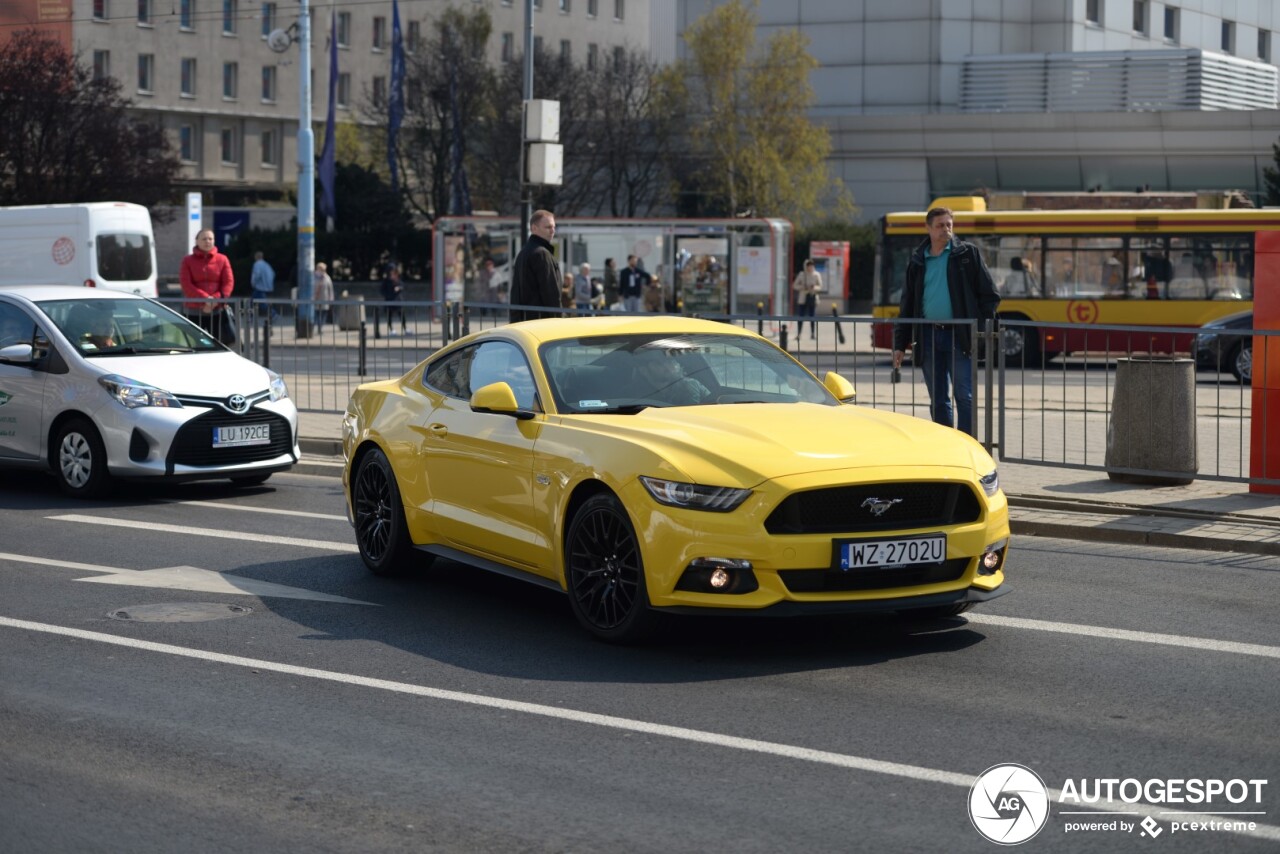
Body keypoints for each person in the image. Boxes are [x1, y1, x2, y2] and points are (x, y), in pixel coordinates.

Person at [891, 206, 1000, 437]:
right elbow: (907, 304)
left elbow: (990, 295)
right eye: (940, 225)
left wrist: (979, 330)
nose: (946, 229)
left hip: (960, 336)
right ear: (928, 228)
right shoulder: (918, 260)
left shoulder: (967, 255)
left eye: (949, 224)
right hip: (928, 336)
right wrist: (900, 344)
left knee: (964, 395)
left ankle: (967, 446)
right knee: (938, 398)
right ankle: (946, 446)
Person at [179, 227, 235, 342]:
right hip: (193, 311)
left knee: (219, 346)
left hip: (217, 311)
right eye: (204, 239)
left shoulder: (223, 259)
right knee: (194, 345)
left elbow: (228, 283)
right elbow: (186, 284)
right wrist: (206, 299)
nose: (207, 241)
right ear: (197, 241)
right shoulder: (187, 260)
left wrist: (214, 300)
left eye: (210, 238)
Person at [508, 209, 563, 322]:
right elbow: (550, 293)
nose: (552, 231)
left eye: (553, 227)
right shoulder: (541, 253)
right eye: (547, 227)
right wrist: (559, 320)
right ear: (534, 228)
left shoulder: (524, 252)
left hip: (523, 321)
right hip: (541, 322)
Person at [632, 348, 712, 406]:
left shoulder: (687, 385)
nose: (667, 367)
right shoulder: (634, 393)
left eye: (669, 362)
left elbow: (690, 414)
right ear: (643, 370)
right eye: (659, 364)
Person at [792, 259, 823, 339]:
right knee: (800, 316)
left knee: (812, 317)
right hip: (803, 298)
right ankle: (799, 334)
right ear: (806, 266)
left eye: (812, 266)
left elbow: (820, 286)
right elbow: (794, 285)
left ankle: (813, 334)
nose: (810, 267)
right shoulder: (802, 274)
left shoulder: (816, 274)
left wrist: (814, 287)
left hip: (812, 297)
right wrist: (803, 287)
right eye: (809, 266)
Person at [378, 262, 407, 337]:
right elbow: (382, 290)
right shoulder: (386, 280)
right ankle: (391, 330)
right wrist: (388, 295)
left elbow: (402, 285)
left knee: (401, 314)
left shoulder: (397, 279)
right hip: (389, 300)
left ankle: (405, 328)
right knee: (389, 316)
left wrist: (399, 288)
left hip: (397, 300)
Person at [250, 251, 277, 322]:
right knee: (253, 301)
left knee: (261, 303)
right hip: (266, 287)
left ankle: (273, 313)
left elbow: (256, 275)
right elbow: (273, 274)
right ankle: (251, 316)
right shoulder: (267, 265)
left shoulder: (257, 264)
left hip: (259, 287)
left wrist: (253, 283)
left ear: (256, 257)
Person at [313, 262, 335, 332]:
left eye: (323, 269)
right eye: (321, 269)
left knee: (323, 314)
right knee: (316, 313)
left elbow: (330, 289)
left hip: (325, 299)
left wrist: (331, 299)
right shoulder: (313, 277)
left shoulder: (327, 277)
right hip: (315, 299)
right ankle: (313, 327)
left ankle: (320, 327)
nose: (322, 271)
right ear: (317, 268)